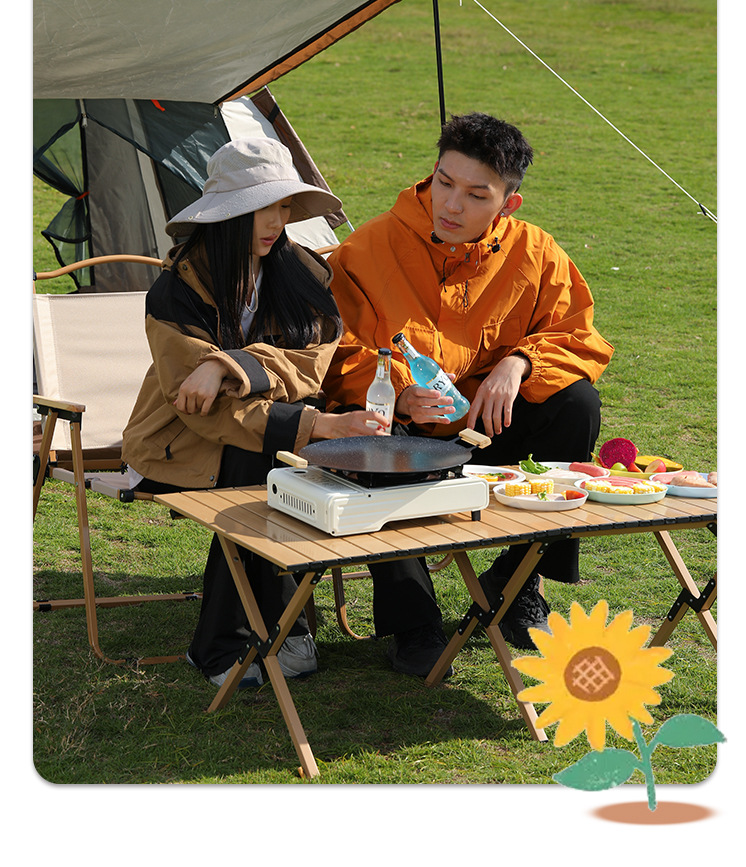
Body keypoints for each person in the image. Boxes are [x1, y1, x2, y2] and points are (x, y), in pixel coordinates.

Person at [323, 112, 614, 674]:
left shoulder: (536, 251)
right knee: (374, 430)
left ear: (508, 204)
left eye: (477, 195)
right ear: (432, 174)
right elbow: (332, 353)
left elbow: (578, 334)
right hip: (403, 436)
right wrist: (397, 395)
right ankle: (413, 621)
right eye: (444, 182)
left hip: (487, 429)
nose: (451, 205)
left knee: (576, 403)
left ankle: (516, 583)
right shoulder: (367, 248)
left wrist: (520, 361)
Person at [122, 137, 387, 690]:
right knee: (261, 465)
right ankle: (233, 643)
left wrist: (229, 364)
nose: (276, 222)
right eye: (260, 208)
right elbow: (201, 410)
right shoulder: (175, 290)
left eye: (284, 206)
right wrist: (313, 424)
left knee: (276, 464)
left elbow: (312, 366)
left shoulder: (304, 273)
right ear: (225, 214)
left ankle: (276, 631)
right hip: (179, 441)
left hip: (274, 431)